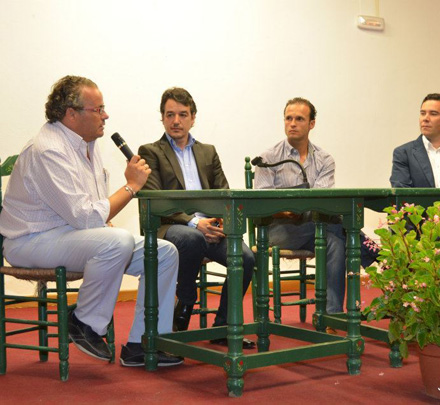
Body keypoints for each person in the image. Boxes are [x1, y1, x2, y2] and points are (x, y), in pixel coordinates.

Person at [0, 76, 182, 368]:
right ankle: (84, 322)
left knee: (163, 252)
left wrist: (103, 226)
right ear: (71, 113)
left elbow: (89, 212)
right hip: (30, 241)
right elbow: (87, 216)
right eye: (98, 109)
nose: (105, 115)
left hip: (69, 234)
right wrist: (131, 186)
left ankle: (144, 343)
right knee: (117, 241)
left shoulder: (87, 144)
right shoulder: (48, 149)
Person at [138, 87, 256, 349]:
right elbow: (158, 199)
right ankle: (186, 302)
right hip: (170, 225)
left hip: (209, 228)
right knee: (191, 238)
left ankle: (224, 327)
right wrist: (195, 223)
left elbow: (224, 193)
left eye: (182, 114)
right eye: (170, 115)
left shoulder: (208, 152)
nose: (176, 121)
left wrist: (221, 223)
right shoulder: (150, 152)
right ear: (162, 118)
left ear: (193, 118)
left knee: (247, 258)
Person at [253, 97, 378, 321]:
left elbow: (321, 201)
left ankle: (331, 315)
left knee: (336, 241)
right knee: (340, 228)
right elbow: (260, 206)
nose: (292, 123)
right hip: (278, 230)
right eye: (288, 118)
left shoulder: (324, 159)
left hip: (315, 228)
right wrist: (284, 211)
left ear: (312, 124)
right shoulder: (267, 158)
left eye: (299, 119)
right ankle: (376, 255)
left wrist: (305, 206)